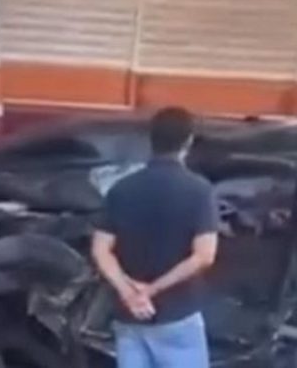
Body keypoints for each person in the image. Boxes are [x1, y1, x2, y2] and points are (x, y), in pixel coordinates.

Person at [92, 107, 219, 368]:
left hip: (130, 318)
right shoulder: (199, 191)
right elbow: (204, 256)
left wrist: (128, 292)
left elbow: (101, 249)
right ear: (189, 141)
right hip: (178, 316)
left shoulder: (121, 189)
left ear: (151, 140)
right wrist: (152, 290)